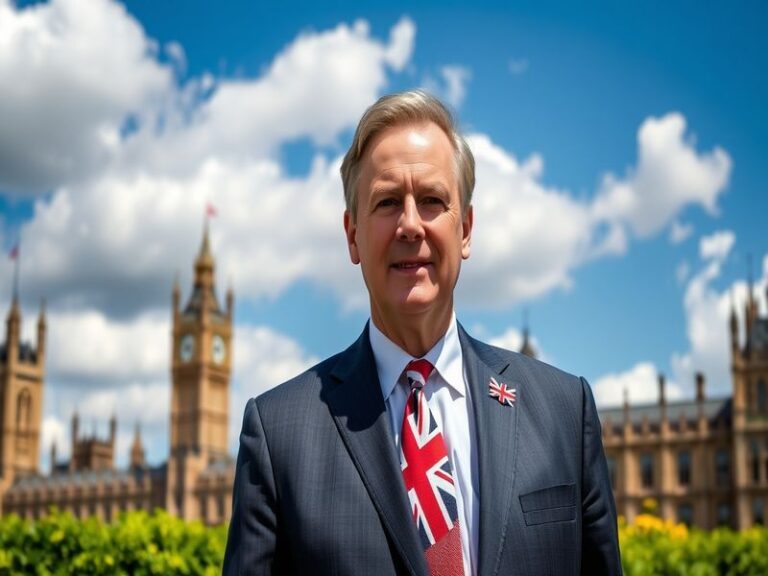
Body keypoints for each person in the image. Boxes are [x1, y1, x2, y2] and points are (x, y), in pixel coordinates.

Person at [223, 90, 622, 576]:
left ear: (467, 229)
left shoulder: (563, 410)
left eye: (432, 200)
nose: (410, 225)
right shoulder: (279, 433)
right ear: (352, 236)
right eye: (388, 202)